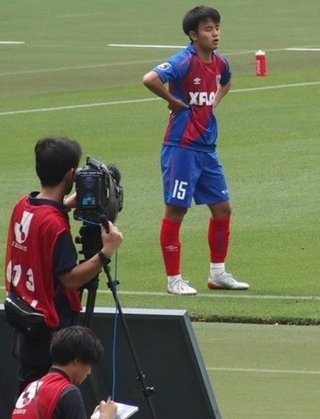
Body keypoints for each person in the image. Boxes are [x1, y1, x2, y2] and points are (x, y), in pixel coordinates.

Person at [142, 5, 249, 295]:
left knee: (222, 208)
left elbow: (226, 81)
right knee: (176, 210)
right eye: (207, 29)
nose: (215, 34)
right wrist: (172, 100)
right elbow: (150, 78)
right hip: (181, 148)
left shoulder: (219, 63)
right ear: (193, 35)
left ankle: (218, 274)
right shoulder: (183, 61)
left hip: (206, 149)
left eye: (216, 28)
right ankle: (173, 280)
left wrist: (214, 101)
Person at [5, 137, 124, 395]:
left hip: (24, 321)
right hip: (50, 329)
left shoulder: (22, 205)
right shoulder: (55, 225)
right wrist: (106, 251)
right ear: (71, 174)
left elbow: (41, 225)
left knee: (28, 395)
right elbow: (70, 279)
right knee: (51, 396)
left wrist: (64, 205)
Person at [11, 326, 118, 419]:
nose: (89, 372)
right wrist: (106, 417)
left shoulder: (32, 387)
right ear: (77, 360)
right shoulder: (68, 392)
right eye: (89, 365)